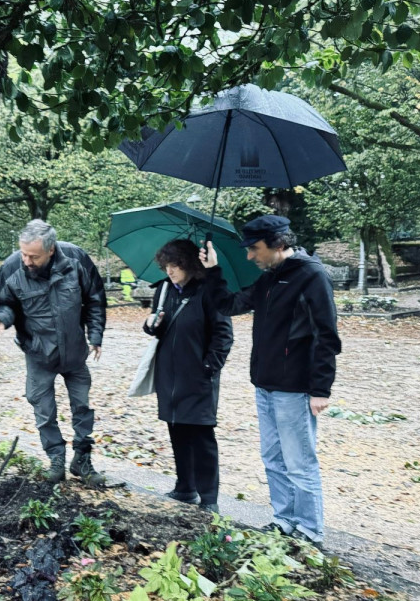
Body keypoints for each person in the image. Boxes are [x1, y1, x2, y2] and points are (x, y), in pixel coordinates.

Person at [200, 215, 341, 547]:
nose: (250, 256)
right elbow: (229, 304)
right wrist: (212, 270)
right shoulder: (269, 279)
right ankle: (285, 520)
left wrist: (321, 388)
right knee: (273, 458)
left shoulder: (312, 276)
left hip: (295, 388)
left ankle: (310, 531)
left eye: (255, 249)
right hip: (265, 384)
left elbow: (327, 336)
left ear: (279, 245)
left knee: (299, 461)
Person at [0, 220, 106, 485]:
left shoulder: (76, 259)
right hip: (39, 353)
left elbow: (96, 297)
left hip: (75, 352)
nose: (26, 260)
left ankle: (82, 460)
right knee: (43, 408)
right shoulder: (11, 267)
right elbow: (6, 304)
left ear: (51, 250)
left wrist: (95, 335)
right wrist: (1, 318)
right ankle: (56, 458)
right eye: (23, 253)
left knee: (83, 406)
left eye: (33, 256)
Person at [143, 239, 233, 514]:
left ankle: (209, 499)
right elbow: (158, 326)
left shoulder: (209, 291)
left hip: (198, 377)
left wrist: (207, 369)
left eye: (176, 265)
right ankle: (185, 488)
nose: (170, 270)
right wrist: (150, 325)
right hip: (169, 376)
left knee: (201, 437)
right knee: (177, 430)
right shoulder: (165, 290)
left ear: (190, 264)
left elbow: (223, 336)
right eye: (167, 265)